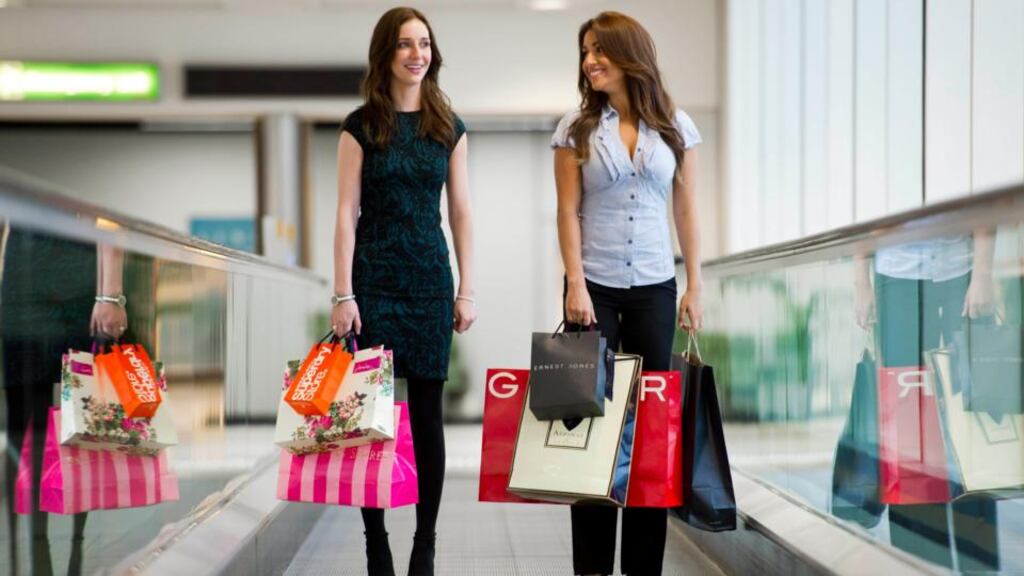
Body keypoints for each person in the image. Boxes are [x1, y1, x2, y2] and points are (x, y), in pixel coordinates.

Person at [552, 11, 704, 576]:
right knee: (590, 432)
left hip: (656, 291)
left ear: (629, 54)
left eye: (600, 51)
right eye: (586, 51)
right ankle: (591, 568)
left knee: (651, 437)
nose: (590, 60)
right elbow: (567, 211)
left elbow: (685, 208)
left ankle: (644, 567)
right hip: (594, 291)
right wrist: (574, 283)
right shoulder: (575, 129)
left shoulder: (675, 125)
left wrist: (695, 284)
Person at [329, 7, 476, 576]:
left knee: (427, 416)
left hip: (429, 284)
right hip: (373, 283)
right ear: (385, 55)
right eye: (405, 45)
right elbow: (345, 213)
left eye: (425, 44)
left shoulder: (449, 127)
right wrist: (343, 293)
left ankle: (426, 541)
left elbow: (461, 212)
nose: (417, 54)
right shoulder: (361, 124)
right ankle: (375, 540)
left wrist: (468, 289)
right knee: (370, 417)